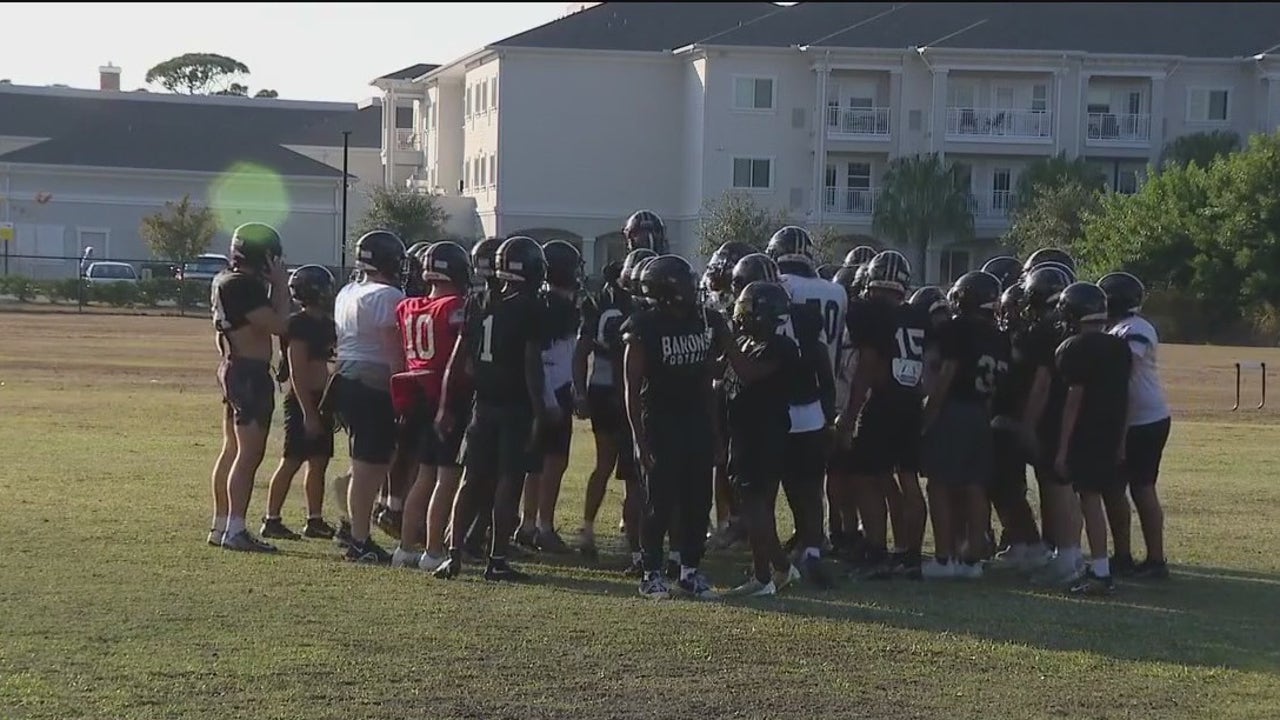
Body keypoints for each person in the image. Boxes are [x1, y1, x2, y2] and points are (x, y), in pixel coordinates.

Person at [435, 235, 549, 582]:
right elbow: (531, 365)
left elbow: (458, 359)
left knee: (470, 479)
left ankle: (453, 555)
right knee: (508, 482)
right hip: (515, 406)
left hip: (481, 405)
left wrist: (446, 403)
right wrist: (540, 411)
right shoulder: (529, 308)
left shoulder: (477, 301)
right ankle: (497, 559)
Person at [623, 254, 724, 600]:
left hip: (695, 420)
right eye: (686, 283)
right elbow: (632, 388)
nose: (694, 288)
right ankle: (651, 572)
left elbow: (709, 378)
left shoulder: (704, 320)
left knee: (698, 500)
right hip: (659, 422)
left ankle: (690, 570)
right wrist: (639, 440)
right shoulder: (643, 326)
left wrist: (715, 432)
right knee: (659, 503)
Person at [837, 250, 930, 580]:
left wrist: (850, 415)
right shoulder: (917, 314)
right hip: (911, 404)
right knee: (908, 479)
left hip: (883, 403)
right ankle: (910, 555)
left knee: (864, 476)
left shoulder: (869, 311)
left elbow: (868, 365)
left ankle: (876, 550)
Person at [766, 227, 843, 588]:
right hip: (818, 397)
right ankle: (811, 546)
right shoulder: (835, 292)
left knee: (772, 485)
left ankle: (771, 558)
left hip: (781, 400)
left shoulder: (776, 292)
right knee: (811, 484)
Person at [920, 271, 1009, 579]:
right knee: (974, 486)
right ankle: (971, 559)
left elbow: (947, 374)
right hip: (981, 414)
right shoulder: (1000, 336)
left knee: (939, 485)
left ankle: (945, 558)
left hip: (954, 409)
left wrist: (928, 415)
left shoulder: (955, 329)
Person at [389, 241, 472, 571]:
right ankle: (434, 550)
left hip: (417, 396)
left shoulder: (408, 306)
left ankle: (406, 547)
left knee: (423, 475)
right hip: (446, 398)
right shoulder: (455, 307)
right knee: (446, 478)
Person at [718, 281, 804, 596]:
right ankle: (777, 569)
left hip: (764, 435)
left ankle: (766, 574)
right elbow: (719, 372)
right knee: (753, 507)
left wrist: (727, 340)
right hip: (741, 433)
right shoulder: (745, 342)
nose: (740, 314)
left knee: (756, 508)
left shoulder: (782, 347)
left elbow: (749, 373)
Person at [208, 222, 290, 552]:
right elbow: (279, 324)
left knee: (231, 450)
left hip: (233, 366)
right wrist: (280, 286)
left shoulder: (225, 279)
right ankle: (236, 529)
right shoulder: (244, 285)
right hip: (249, 373)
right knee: (248, 454)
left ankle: (221, 525)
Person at [331, 230, 407, 563]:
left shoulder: (348, 291)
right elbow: (393, 352)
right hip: (373, 381)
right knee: (369, 465)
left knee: (371, 459)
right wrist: (403, 390)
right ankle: (359, 540)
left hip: (345, 377)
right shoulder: (387, 295)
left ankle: (351, 521)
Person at [1053, 282, 1132, 595]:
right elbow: (1126, 397)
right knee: (1101, 496)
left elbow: (1074, 400)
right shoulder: (1120, 347)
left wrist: (1062, 449)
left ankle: (1100, 569)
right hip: (1111, 430)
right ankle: (1101, 565)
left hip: (1087, 431)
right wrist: (1122, 439)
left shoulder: (1073, 348)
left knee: (1090, 499)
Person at [1098, 272, 1171, 580]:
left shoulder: (1134, 330)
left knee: (1141, 488)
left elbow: (1123, 374)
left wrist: (1120, 435)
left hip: (1142, 420)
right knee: (1113, 488)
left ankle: (1155, 560)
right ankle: (1123, 555)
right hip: (1133, 417)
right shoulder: (1117, 328)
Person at [261, 264, 338, 541]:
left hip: (321, 399)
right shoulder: (299, 324)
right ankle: (272, 519)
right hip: (302, 400)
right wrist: (309, 413)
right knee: (291, 461)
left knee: (319, 462)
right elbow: (297, 370)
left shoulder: (327, 324)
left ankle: (314, 520)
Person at [517, 239, 582, 552]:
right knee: (551, 462)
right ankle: (541, 525)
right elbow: (545, 358)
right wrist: (551, 400)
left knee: (537, 463)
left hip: (549, 390)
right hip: (552, 391)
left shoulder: (545, 302)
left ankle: (529, 524)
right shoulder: (554, 307)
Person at [573, 260, 636, 561]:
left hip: (601, 387)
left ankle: (588, 528)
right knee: (634, 470)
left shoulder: (597, 303)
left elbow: (581, 352)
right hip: (628, 389)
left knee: (605, 464)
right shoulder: (638, 305)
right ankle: (633, 537)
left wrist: (581, 392)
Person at [701, 241, 757, 550]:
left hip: (742, 390)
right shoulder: (715, 305)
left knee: (738, 462)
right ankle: (729, 522)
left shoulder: (751, 304)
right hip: (722, 388)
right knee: (721, 459)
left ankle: (742, 523)